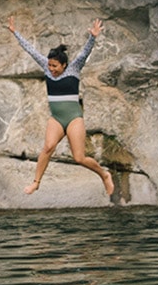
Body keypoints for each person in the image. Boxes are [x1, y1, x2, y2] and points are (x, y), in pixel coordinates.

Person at [8, 16, 114, 198]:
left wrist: (93, 37)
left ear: (64, 65)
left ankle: (104, 175)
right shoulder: (46, 67)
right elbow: (31, 51)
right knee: (48, 147)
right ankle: (36, 183)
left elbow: (84, 53)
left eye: (55, 66)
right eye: (49, 65)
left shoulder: (74, 68)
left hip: (74, 118)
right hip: (56, 118)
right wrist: (15, 33)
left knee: (79, 158)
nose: (51, 69)